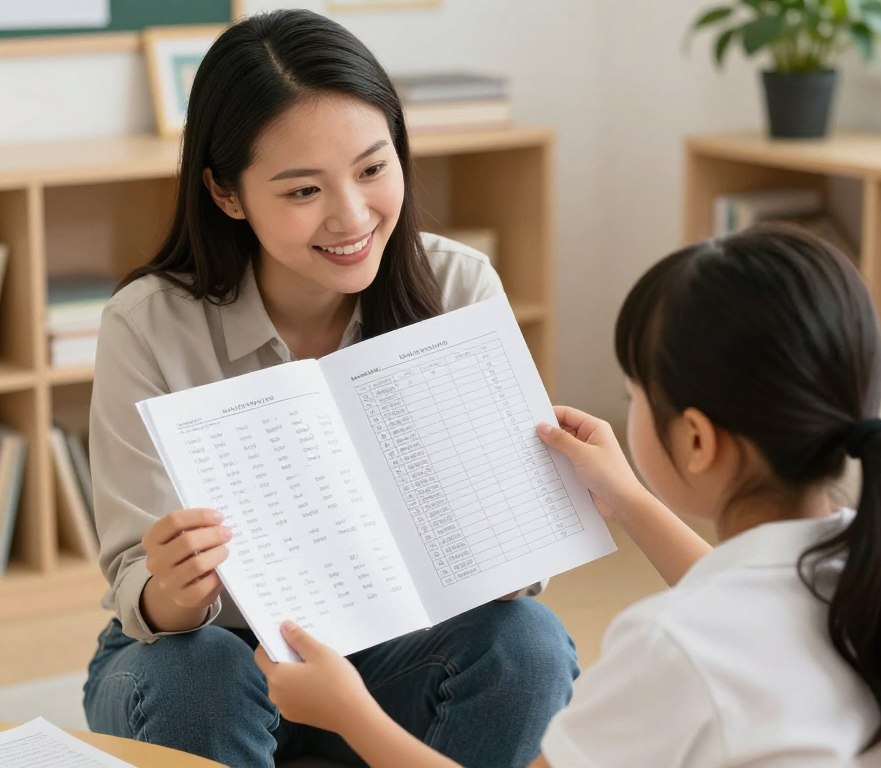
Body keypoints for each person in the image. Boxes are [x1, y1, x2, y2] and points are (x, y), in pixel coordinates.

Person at [256, 223, 881, 768]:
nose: (626, 409)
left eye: (634, 393)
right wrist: (630, 498)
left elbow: (715, 631)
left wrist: (348, 711)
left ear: (698, 440)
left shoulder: (670, 646)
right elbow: (745, 605)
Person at [83, 9, 578, 768]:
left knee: (529, 646)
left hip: (390, 652)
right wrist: (175, 592)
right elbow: (136, 586)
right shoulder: (147, 323)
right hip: (202, 653)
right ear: (226, 193)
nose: (352, 216)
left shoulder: (458, 285)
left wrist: (506, 543)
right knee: (201, 675)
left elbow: (514, 562)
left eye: (374, 169)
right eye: (303, 189)